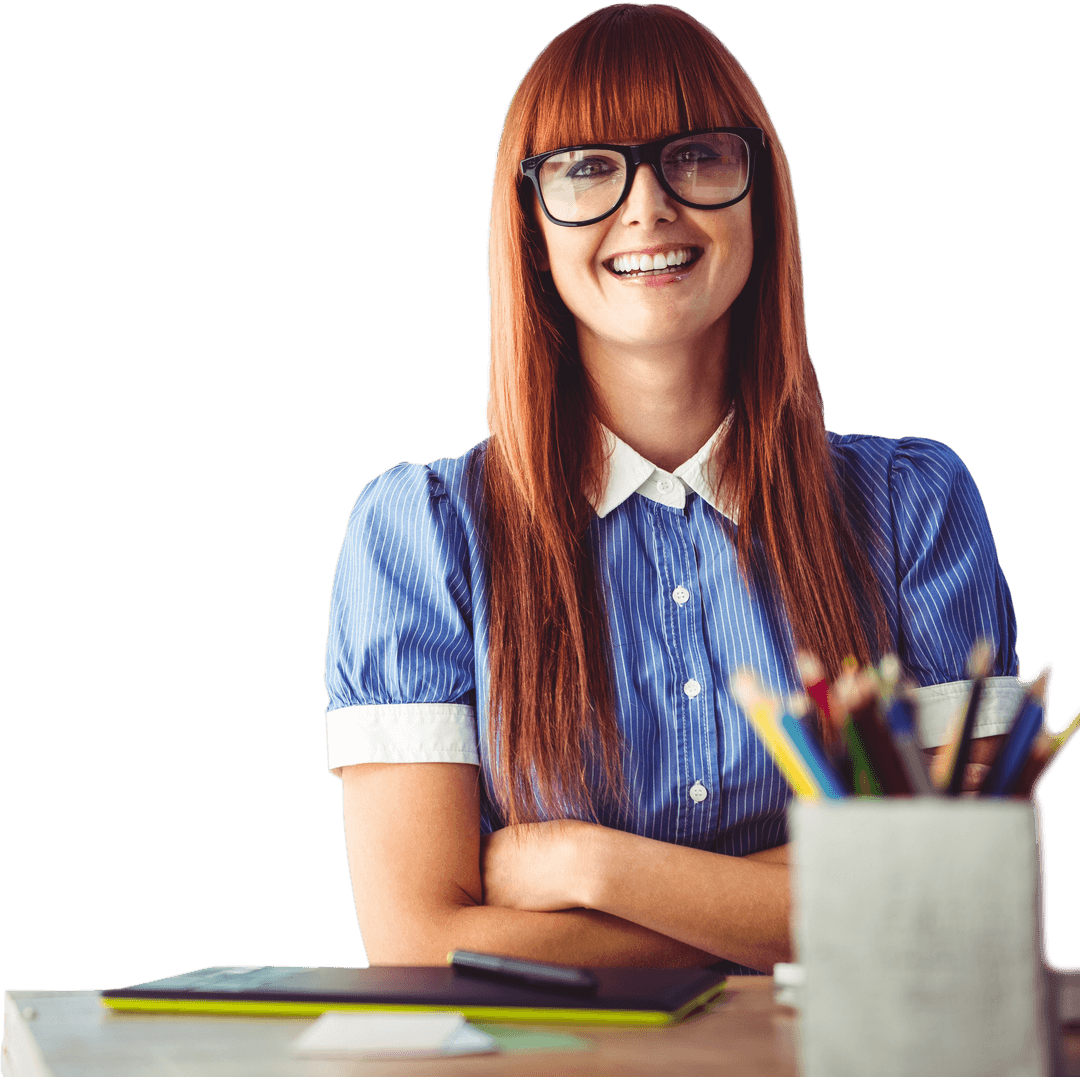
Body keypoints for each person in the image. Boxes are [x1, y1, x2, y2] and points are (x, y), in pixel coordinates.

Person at [323, 3, 1019, 975]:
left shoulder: (915, 511)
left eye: (694, 155)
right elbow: (417, 945)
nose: (647, 206)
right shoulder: (421, 537)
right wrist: (842, 905)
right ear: (529, 225)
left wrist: (588, 866)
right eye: (587, 168)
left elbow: (973, 907)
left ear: (758, 196)